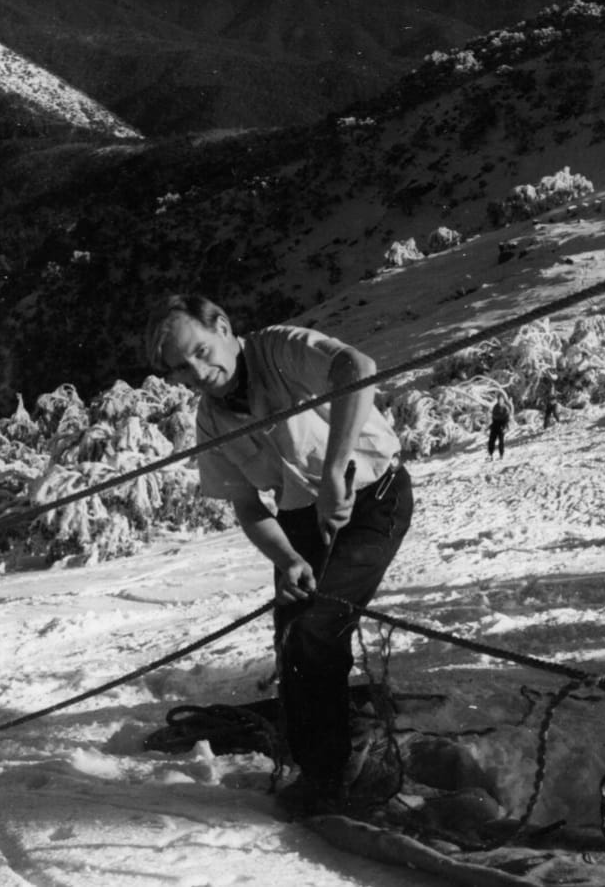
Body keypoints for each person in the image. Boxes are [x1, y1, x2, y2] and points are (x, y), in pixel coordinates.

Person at [144, 294, 414, 817]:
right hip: (300, 521)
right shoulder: (211, 421)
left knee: (319, 625)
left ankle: (331, 777)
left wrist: (334, 469)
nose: (197, 372)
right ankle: (319, 753)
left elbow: (357, 369)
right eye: (181, 368)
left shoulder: (280, 349)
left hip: (373, 497)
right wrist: (288, 558)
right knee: (293, 638)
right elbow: (248, 507)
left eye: (201, 351)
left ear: (224, 327)